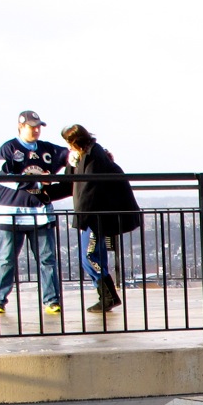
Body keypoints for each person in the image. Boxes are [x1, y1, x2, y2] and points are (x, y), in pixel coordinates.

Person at [56, 124, 140, 313]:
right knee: (93, 255)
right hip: (94, 216)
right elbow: (70, 184)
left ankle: (108, 296)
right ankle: (107, 296)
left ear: (75, 142)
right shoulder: (86, 156)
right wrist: (47, 191)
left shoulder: (94, 157)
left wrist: (81, 218)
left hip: (96, 216)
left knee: (89, 256)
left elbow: (89, 189)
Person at [0, 110, 69, 314]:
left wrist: (95, 154)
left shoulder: (47, 149)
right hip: (12, 214)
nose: (36, 130)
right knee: (6, 259)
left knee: (47, 259)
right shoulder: (8, 149)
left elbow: (71, 154)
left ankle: (51, 300)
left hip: (41, 213)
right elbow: (5, 177)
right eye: (31, 127)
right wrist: (36, 182)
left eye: (38, 127)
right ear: (21, 126)